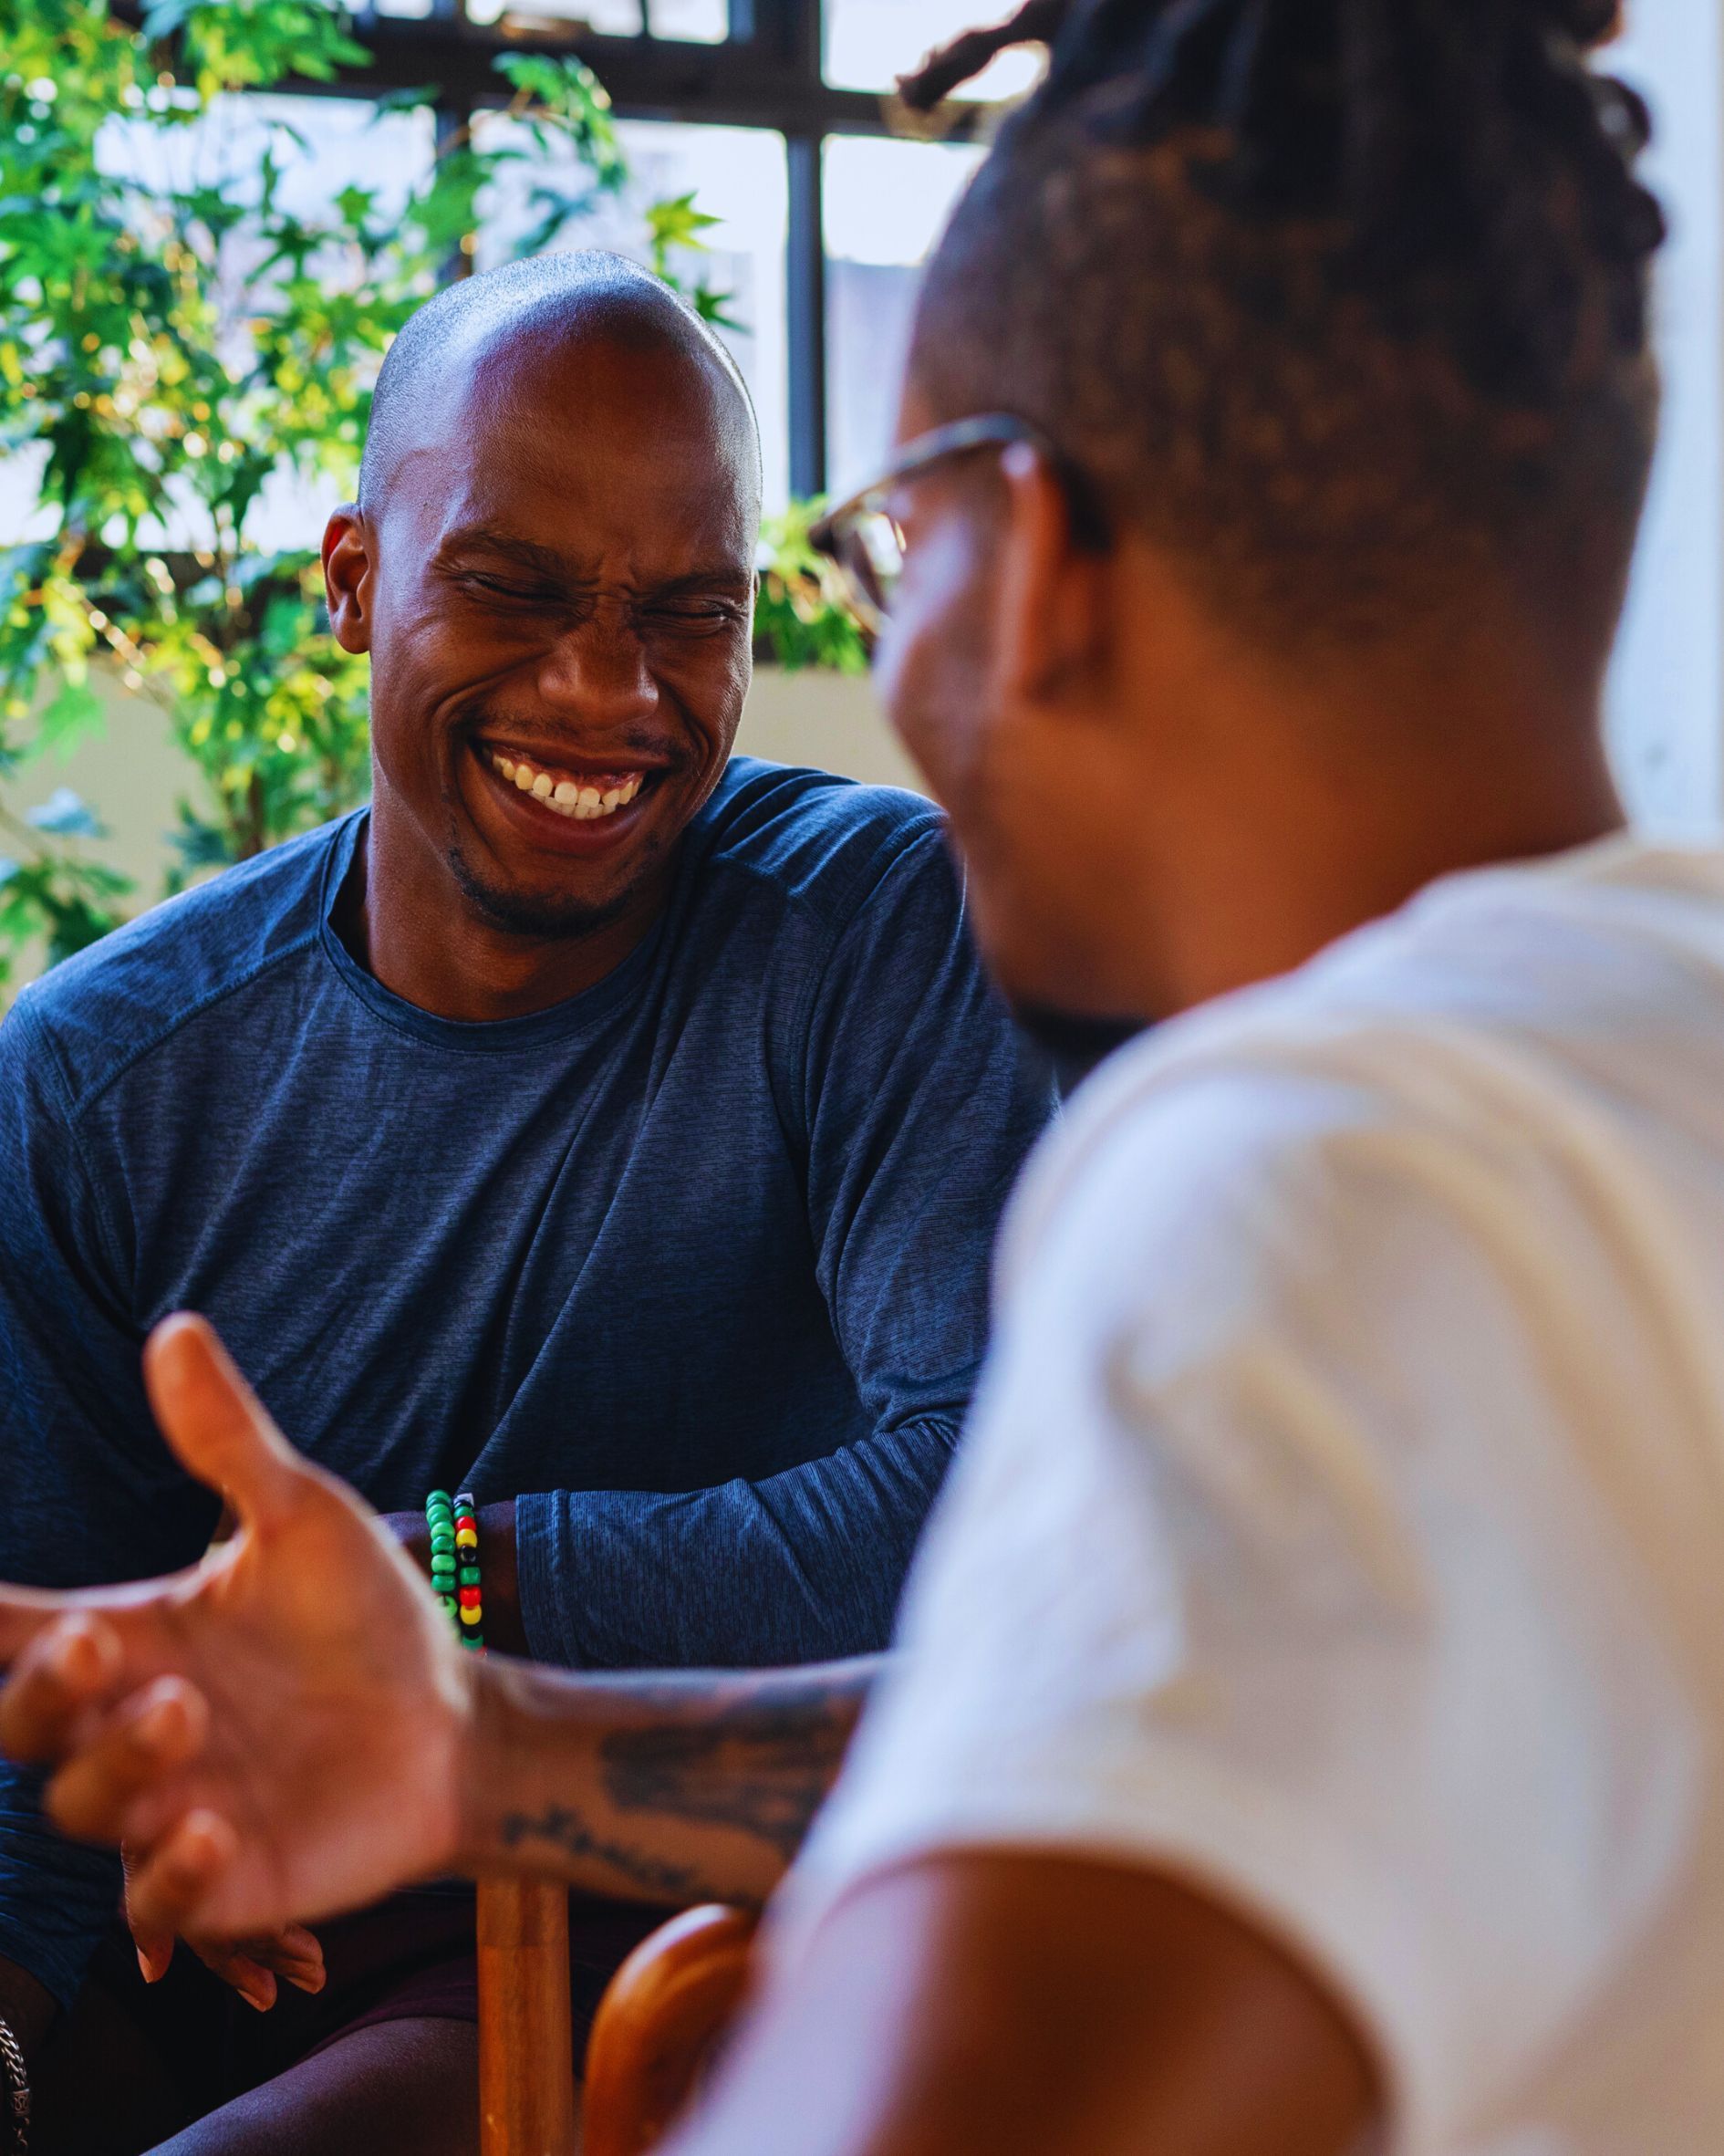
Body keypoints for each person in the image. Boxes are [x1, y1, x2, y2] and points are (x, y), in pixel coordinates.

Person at [3, 1, 1716, 2151]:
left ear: (1039, 560)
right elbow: (1123, 1725)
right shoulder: (1648, 1064)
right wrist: (489, 1754)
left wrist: (471, 1613)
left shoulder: (1309, 1200)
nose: (876, 670)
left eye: (884, 550)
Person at [0, 248, 1051, 2151]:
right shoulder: (98, 1086)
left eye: (689, 613)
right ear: (351, 582)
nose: (606, 688)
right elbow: (44, 1772)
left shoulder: (874, 936)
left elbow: (984, 1513)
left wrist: (441, 1587)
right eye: (511, 587)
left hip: (648, 1945)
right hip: (221, 1950)